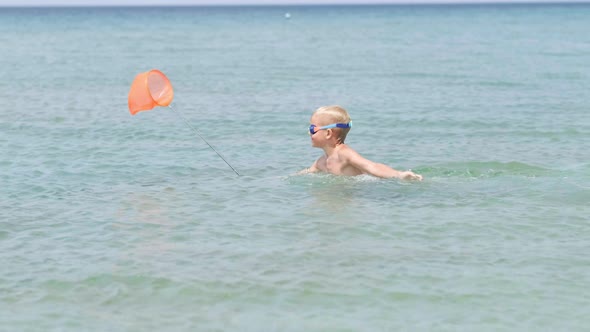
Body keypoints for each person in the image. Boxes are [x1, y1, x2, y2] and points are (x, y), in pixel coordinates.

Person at [300, 105, 423, 181]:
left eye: (312, 129)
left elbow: (372, 166)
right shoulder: (321, 162)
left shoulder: (344, 154)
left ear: (328, 133)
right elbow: (304, 175)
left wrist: (398, 175)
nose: (309, 133)